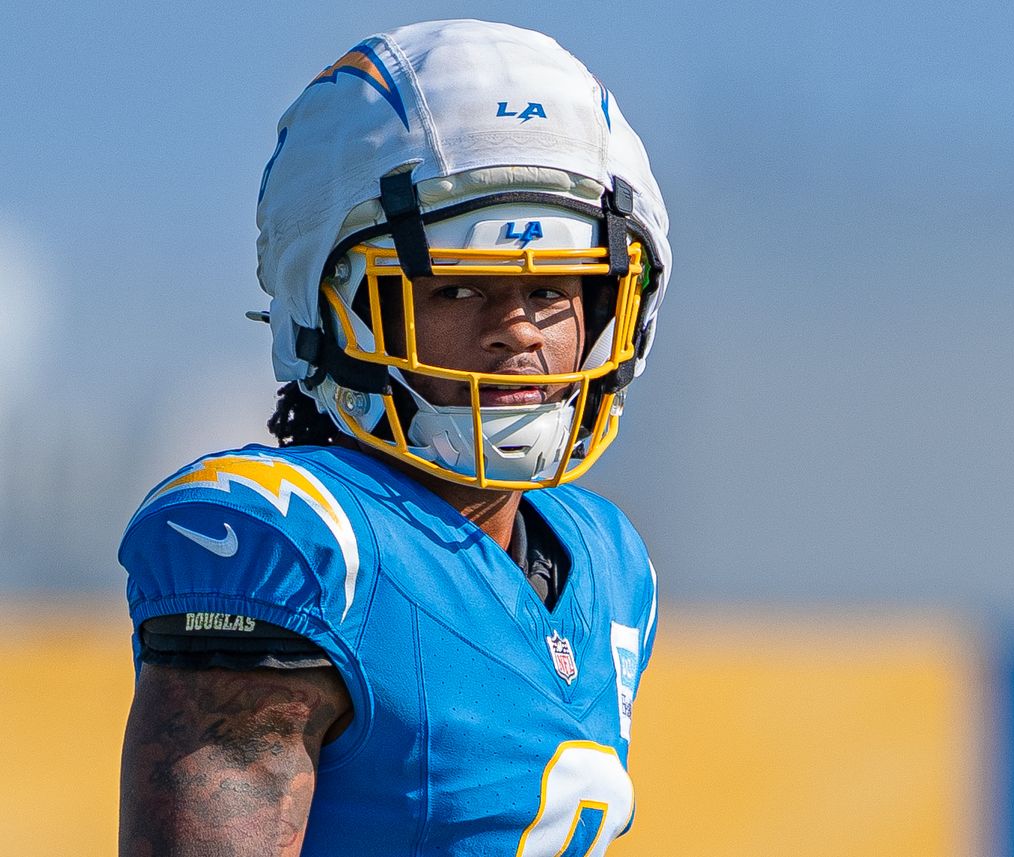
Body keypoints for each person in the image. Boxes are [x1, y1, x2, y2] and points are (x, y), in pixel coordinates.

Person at [117, 19, 671, 857]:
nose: (518, 331)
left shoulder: (606, 561)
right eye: (458, 289)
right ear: (331, 306)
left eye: (554, 288)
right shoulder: (302, 548)